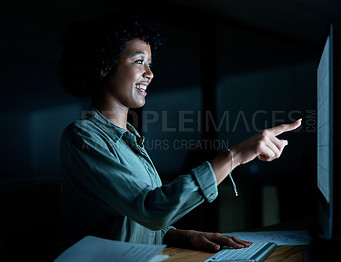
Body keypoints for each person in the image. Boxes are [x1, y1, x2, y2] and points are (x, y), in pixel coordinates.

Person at [58, 13, 302, 252]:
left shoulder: (130, 140)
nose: (150, 74)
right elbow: (152, 210)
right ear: (104, 67)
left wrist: (183, 235)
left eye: (150, 64)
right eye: (139, 61)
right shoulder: (83, 137)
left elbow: (138, 220)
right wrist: (235, 156)